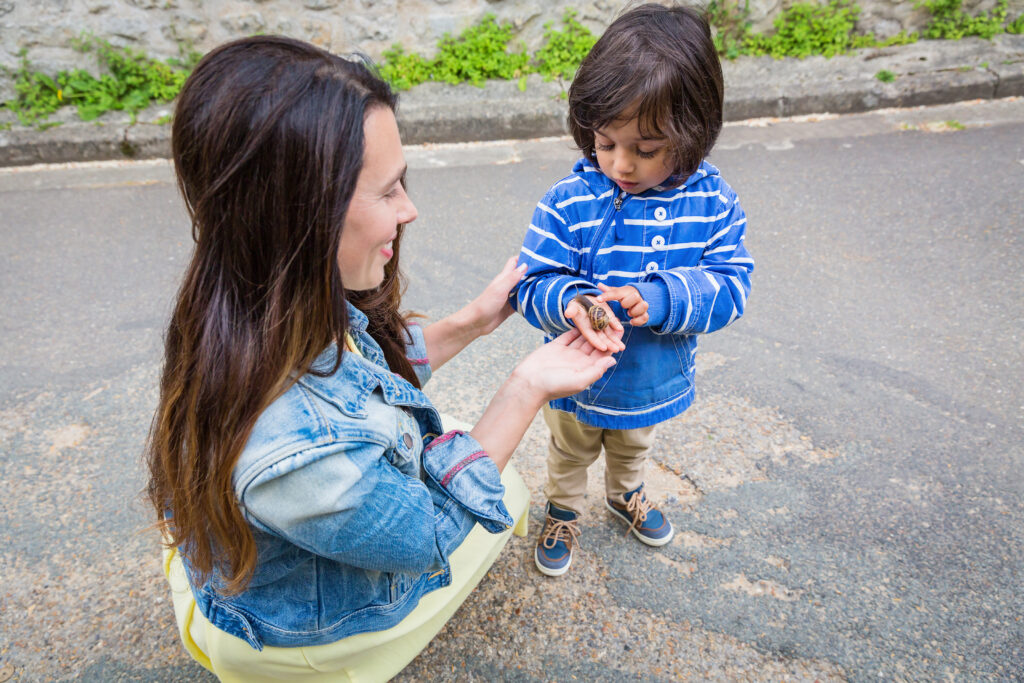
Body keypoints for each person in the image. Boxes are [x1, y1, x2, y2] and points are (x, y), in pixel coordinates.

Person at [147, 35, 618, 681]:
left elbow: (360, 374)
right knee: (499, 492)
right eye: (390, 189)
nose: (410, 209)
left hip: (240, 566)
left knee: (451, 446)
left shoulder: (247, 304)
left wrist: (476, 320)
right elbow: (429, 532)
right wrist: (525, 387)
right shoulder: (295, 451)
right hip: (294, 643)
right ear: (300, 213)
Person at [511, 3, 754, 577]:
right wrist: (571, 302)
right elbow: (533, 280)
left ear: (694, 132)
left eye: (646, 149)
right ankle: (564, 509)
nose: (621, 163)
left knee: (632, 445)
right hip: (571, 376)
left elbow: (732, 284)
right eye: (605, 142)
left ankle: (626, 495)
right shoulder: (569, 199)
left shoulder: (712, 203)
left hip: (651, 375)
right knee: (570, 450)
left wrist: (665, 298)